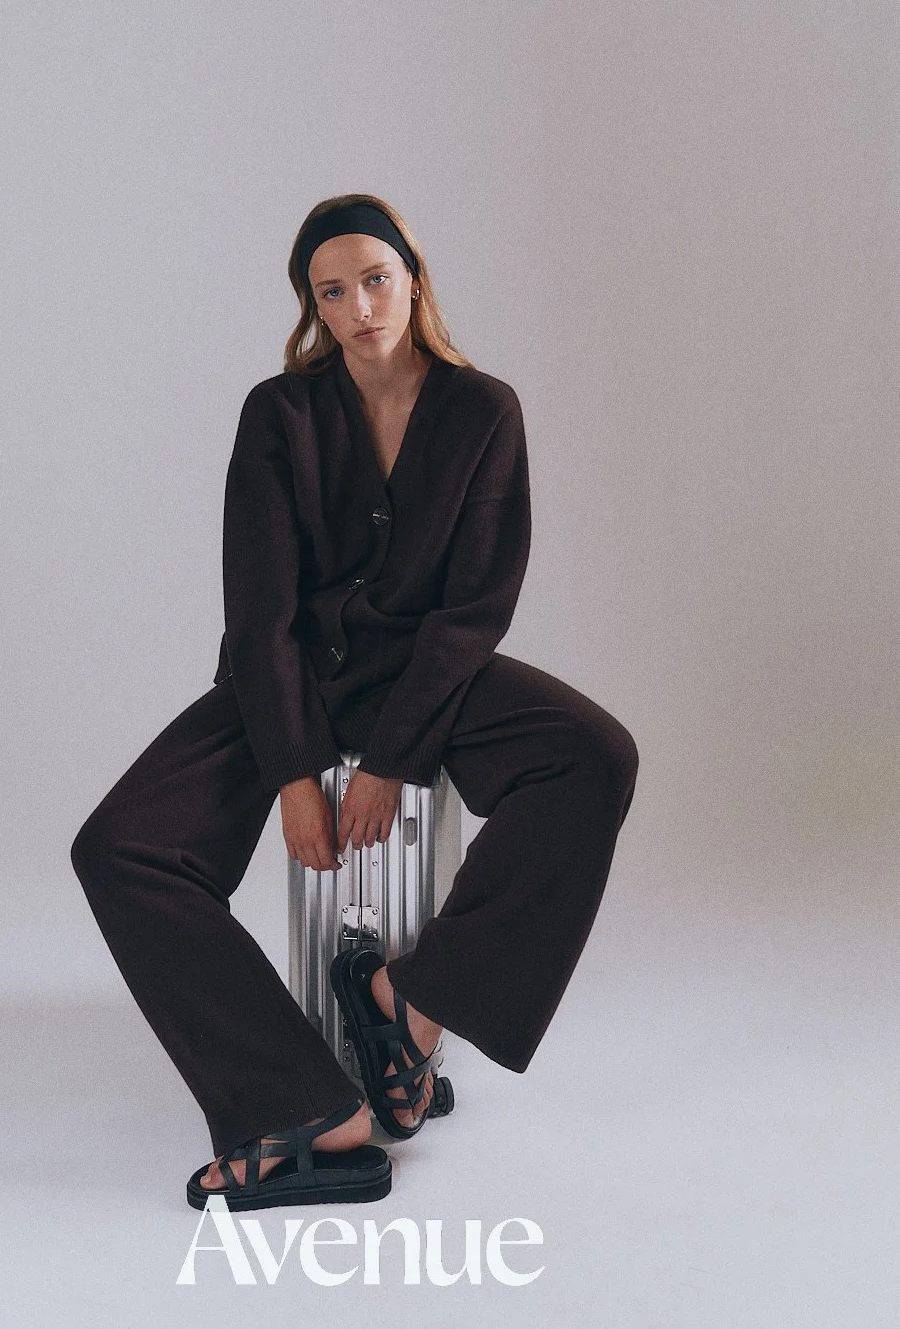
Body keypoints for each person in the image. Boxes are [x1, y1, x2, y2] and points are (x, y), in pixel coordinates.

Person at [70, 193, 639, 1211]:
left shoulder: (483, 410)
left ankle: (413, 1006)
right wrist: (296, 773)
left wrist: (390, 760)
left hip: (427, 673)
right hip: (284, 680)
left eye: (375, 278)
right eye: (331, 291)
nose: (358, 305)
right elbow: (259, 611)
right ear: (313, 308)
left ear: (413, 278)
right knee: (120, 847)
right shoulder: (279, 413)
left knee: (591, 756)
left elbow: (474, 608)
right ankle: (301, 1105)